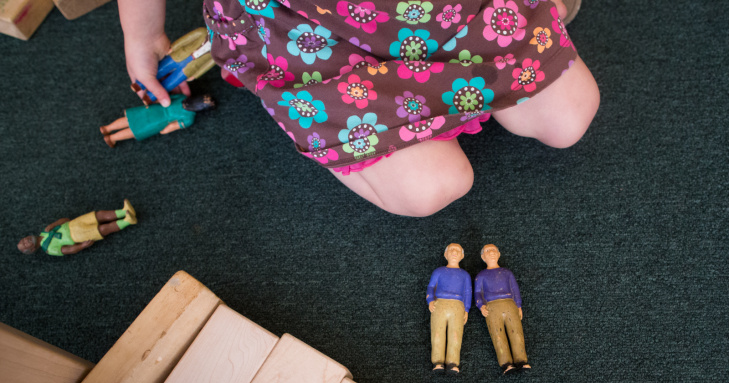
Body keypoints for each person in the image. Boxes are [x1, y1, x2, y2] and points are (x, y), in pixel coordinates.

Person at [118, 0, 599, 217]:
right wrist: (140, 33)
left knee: (569, 119)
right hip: (302, 32)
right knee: (431, 190)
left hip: (432, 7)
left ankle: (428, 108)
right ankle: (327, 127)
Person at [474, 244, 529, 374]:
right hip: (491, 307)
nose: (491, 252)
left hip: (510, 304)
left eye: (494, 250)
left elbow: (515, 289)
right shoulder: (481, 275)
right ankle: (506, 363)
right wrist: (481, 305)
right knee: (497, 335)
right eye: (487, 251)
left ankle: (521, 360)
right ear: (483, 257)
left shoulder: (507, 273)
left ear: (499, 254)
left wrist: (518, 305)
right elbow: (477, 293)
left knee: (516, 332)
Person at [17, 200, 137, 256]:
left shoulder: (46, 230)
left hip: (73, 224)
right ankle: (127, 221)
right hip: (76, 236)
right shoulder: (49, 249)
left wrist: (53, 225)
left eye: (23, 240)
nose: (26, 241)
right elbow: (67, 250)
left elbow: (65, 220)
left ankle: (123, 211)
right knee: (102, 229)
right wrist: (81, 246)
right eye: (25, 245)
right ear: (32, 250)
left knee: (98, 215)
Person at [100, 94, 216, 147]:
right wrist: (164, 131)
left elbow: (166, 99)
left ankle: (107, 128)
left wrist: (153, 103)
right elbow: (171, 127)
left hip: (155, 109)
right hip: (159, 122)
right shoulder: (189, 118)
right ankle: (111, 138)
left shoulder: (182, 97)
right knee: (135, 130)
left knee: (129, 119)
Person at [426, 243, 472, 374]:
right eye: (451, 250)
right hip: (439, 304)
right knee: (437, 333)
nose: (454, 252)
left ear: (462, 256)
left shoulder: (465, 275)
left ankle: (453, 362)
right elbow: (431, 287)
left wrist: (466, 309)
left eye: (458, 250)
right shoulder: (438, 271)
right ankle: (438, 361)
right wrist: (430, 300)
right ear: (445, 254)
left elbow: (467, 292)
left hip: (458, 305)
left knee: (456, 334)